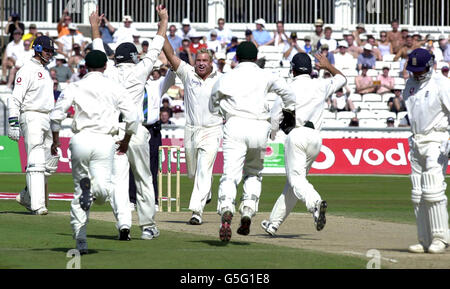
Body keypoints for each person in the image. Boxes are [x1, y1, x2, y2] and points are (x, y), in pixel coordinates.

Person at [89, 6, 168, 240]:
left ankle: (124, 223)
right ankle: (147, 227)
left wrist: (95, 26)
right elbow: (156, 45)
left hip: (114, 132)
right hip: (136, 131)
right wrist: (162, 20)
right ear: (134, 57)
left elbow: (97, 50)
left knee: (118, 181)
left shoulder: (108, 73)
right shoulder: (141, 70)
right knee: (144, 178)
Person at [50, 50, 140, 254]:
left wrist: (56, 140)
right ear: (106, 67)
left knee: (80, 191)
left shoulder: (76, 85)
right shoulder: (114, 87)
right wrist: (125, 140)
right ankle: (96, 194)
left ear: (85, 67)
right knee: (103, 191)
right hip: (104, 140)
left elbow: (56, 115)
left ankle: (80, 239)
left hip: (80, 139)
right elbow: (133, 118)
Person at [210, 41, 296, 242]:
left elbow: (213, 100)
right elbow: (288, 94)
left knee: (230, 175)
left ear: (237, 58)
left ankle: (226, 208)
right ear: (256, 57)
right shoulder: (265, 74)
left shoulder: (227, 76)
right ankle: (248, 209)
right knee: (254, 173)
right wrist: (289, 111)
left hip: (235, 125)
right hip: (259, 127)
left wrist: (221, 111)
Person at [261, 52, 346, 236]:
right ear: (311, 69)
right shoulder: (320, 85)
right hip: (316, 138)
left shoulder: (287, 88)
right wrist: (328, 66)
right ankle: (273, 224)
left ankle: (315, 203)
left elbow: (275, 118)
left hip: (296, 135)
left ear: (292, 69)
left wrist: (273, 132)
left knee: (296, 180)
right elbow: (342, 79)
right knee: (294, 183)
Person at [162, 31, 223, 226]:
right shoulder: (188, 73)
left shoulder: (220, 79)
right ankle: (207, 190)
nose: (201, 63)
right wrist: (162, 30)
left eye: (205, 60)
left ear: (211, 63)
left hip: (212, 129)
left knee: (204, 170)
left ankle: (197, 211)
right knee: (193, 173)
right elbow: (171, 54)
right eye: (198, 60)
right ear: (194, 62)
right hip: (191, 129)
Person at [403, 48, 450, 254]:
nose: (417, 74)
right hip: (417, 141)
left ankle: (440, 238)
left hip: (437, 140)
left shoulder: (442, 84)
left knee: (433, 189)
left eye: (420, 70)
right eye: (414, 70)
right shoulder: (410, 85)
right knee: (418, 193)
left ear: (430, 66)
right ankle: (424, 239)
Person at [8, 36, 57, 215]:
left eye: (51, 51)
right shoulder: (26, 70)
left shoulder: (44, 70)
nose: (50, 54)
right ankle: (37, 205)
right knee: (36, 160)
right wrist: (13, 122)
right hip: (32, 116)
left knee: (51, 161)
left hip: (47, 117)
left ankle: (27, 195)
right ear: (37, 49)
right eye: (47, 50)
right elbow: (15, 98)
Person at [141, 66, 176, 206]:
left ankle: (153, 199)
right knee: (132, 165)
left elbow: (169, 79)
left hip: (152, 129)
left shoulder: (156, 85)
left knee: (153, 166)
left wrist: (172, 67)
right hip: (134, 127)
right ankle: (131, 199)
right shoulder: (130, 84)